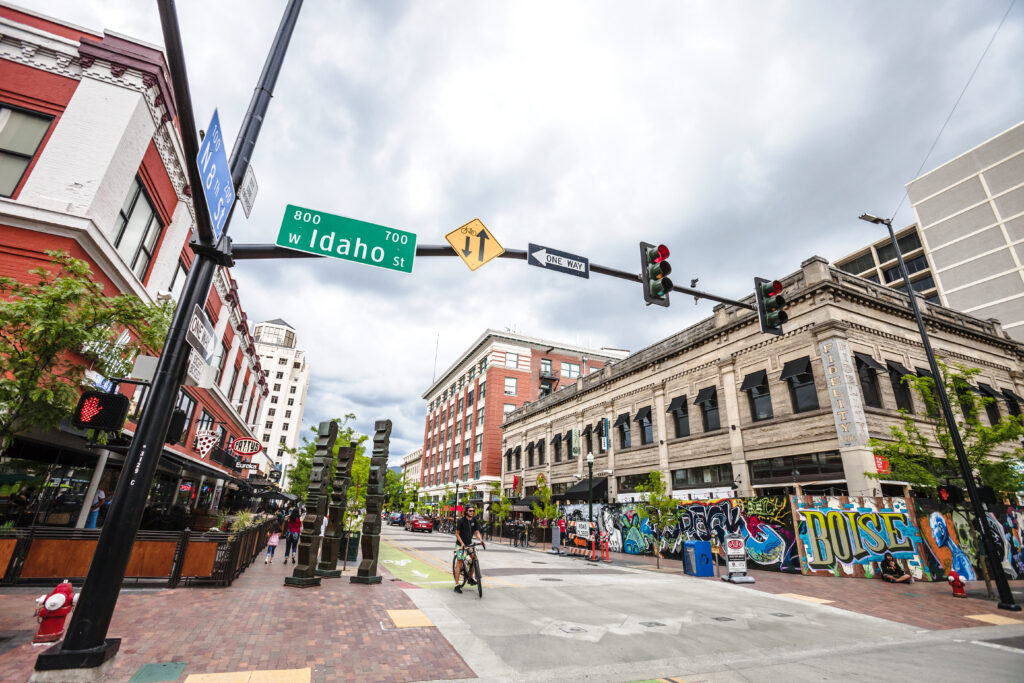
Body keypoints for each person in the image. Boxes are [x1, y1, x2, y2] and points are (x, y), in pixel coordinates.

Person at [453, 506, 485, 594]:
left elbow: (477, 532)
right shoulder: (461, 521)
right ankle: (456, 585)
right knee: (459, 563)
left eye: (473, 511)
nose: (472, 512)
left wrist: (481, 540)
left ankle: (470, 578)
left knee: (475, 558)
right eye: (470, 511)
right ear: (466, 511)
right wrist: (462, 543)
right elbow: (457, 534)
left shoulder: (474, 520)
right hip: (460, 545)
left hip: (468, 544)